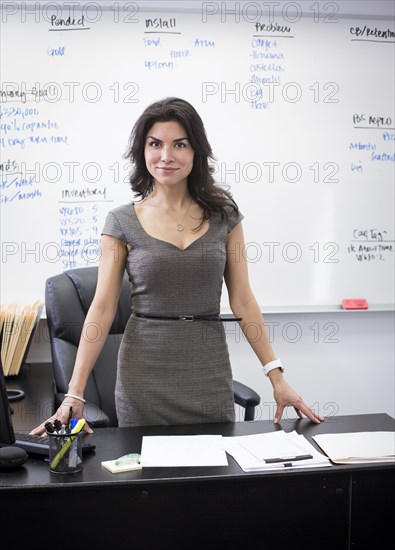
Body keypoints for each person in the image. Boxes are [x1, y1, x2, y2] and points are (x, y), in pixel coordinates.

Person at [31, 97, 323, 435]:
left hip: (208, 372)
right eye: (155, 144)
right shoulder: (122, 222)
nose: (166, 156)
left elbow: (243, 300)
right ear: (142, 150)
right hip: (144, 376)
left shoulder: (225, 216)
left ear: (196, 151)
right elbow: (103, 307)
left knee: (213, 476)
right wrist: (75, 392)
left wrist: (277, 376)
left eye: (179, 144)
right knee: (145, 479)